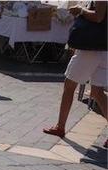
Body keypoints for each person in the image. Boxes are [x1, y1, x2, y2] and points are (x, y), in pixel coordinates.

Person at [43, 1, 107, 139]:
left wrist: (81, 10)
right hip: (103, 48)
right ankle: (60, 126)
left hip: (92, 49)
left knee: (69, 85)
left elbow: (98, 17)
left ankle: (60, 127)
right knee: (97, 92)